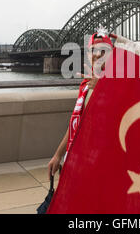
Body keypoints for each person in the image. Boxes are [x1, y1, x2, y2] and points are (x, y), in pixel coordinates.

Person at [47, 33, 114, 176]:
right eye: (93, 50)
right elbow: (76, 123)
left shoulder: (121, 85)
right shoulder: (86, 84)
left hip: (107, 159)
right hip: (82, 155)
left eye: (103, 50)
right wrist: (58, 155)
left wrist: (104, 88)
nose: (97, 54)